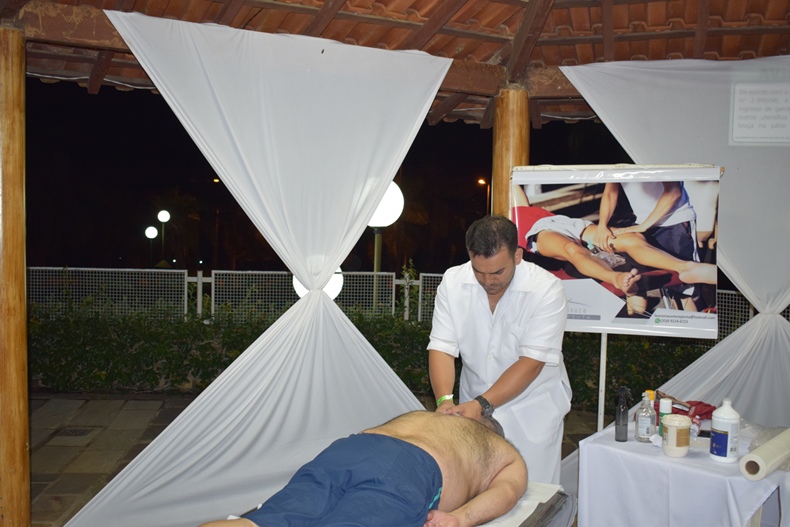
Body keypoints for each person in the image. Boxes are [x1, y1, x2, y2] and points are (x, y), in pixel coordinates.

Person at [428, 215, 570, 484]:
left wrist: (482, 404)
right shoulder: (452, 282)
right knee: (478, 490)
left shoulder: (546, 290)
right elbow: (442, 348)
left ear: (517, 255)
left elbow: (532, 363)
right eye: (479, 271)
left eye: (497, 272)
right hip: (471, 409)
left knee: (531, 494)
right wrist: (444, 400)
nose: (488, 281)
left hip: (530, 411)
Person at [197, 411, 527, 527]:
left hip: (350, 450)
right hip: (409, 469)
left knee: (263, 521)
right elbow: (508, 492)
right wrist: (460, 518)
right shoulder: (502, 450)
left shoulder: (426, 416)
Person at [511, 186, 717, 312]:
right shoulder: (506, 220)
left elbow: (511, 180)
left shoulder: (517, 203)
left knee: (631, 238)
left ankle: (685, 267)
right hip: (537, 233)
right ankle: (616, 278)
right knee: (572, 249)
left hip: (565, 222)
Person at [594, 181, 703, 309]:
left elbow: (673, 192)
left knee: (684, 287)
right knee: (652, 284)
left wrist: (643, 226)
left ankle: (702, 316)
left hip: (674, 221)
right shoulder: (616, 168)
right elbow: (610, 193)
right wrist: (602, 226)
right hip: (643, 223)